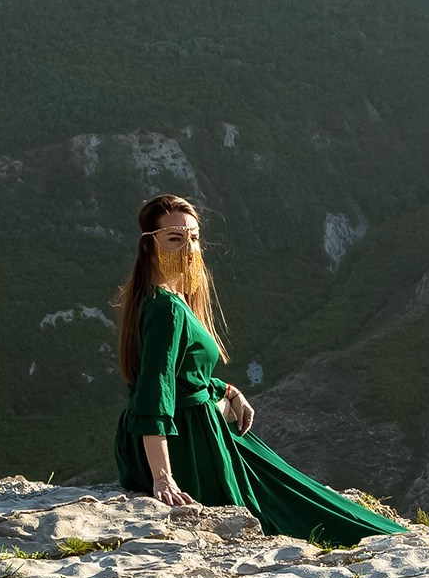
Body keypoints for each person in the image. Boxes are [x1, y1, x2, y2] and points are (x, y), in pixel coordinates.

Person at [112, 194, 405, 545]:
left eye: (194, 238)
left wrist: (226, 391)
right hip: (186, 443)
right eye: (175, 239)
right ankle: (378, 539)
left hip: (187, 431)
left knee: (281, 482)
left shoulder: (158, 298)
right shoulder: (167, 309)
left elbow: (181, 375)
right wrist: (163, 478)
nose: (189, 249)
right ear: (149, 246)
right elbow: (155, 391)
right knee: (280, 499)